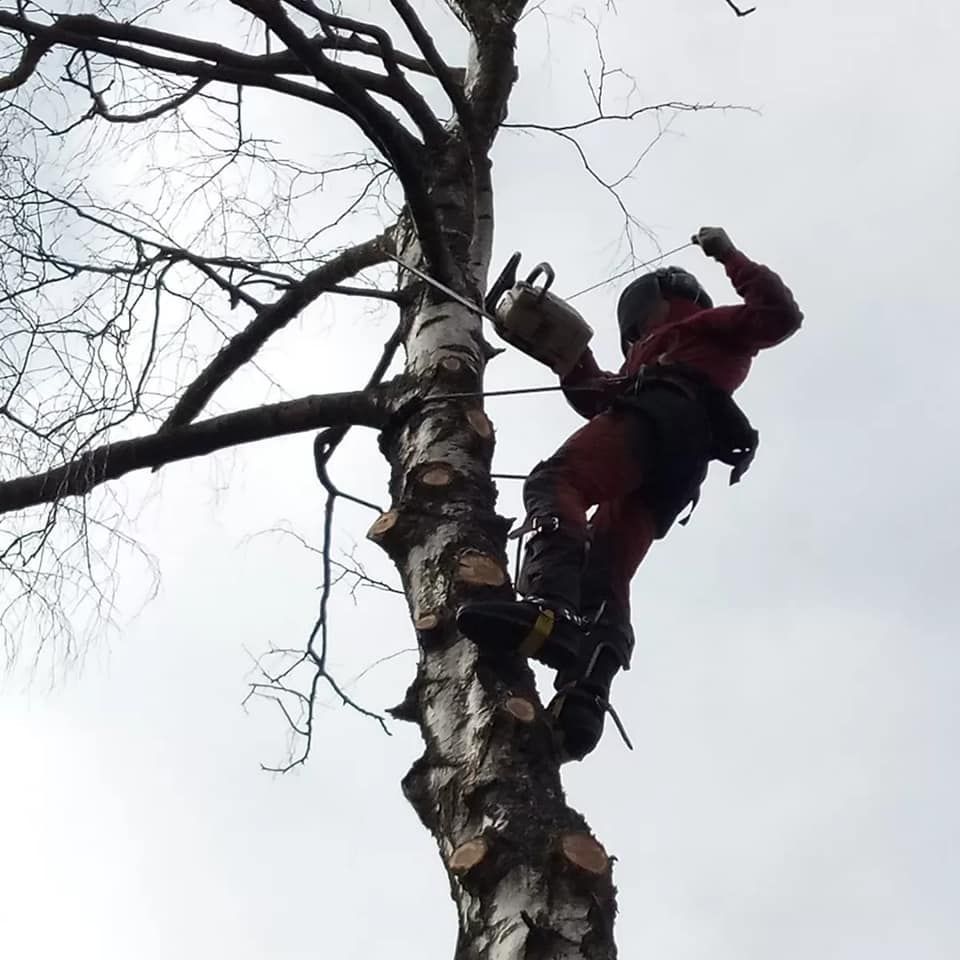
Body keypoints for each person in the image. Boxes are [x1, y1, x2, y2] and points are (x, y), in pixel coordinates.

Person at [456, 226, 803, 761]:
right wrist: (564, 356)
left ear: (655, 304)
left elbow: (781, 314)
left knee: (557, 483)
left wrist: (729, 255)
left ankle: (549, 613)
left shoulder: (700, 327)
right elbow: (601, 396)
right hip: (677, 465)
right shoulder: (663, 356)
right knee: (605, 570)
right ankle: (584, 696)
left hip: (663, 418)